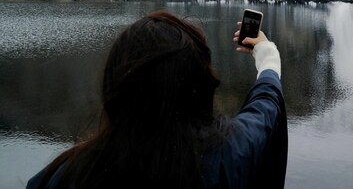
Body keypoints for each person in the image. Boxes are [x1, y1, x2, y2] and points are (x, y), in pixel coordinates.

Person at [27, 10, 287, 189]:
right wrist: (266, 54)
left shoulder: (62, 178)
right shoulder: (232, 153)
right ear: (200, 86)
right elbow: (265, 105)